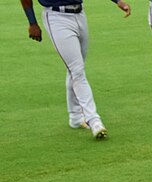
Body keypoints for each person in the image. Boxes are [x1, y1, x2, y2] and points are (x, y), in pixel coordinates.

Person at [21, 0, 131, 139]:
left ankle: (75, 117)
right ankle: (94, 120)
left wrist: (118, 1)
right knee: (76, 70)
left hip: (80, 14)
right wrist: (32, 23)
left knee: (75, 69)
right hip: (56, 17)